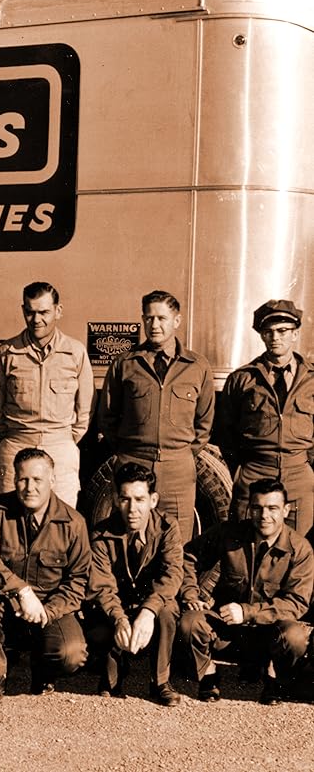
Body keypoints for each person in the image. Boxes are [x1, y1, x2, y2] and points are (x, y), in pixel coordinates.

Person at [0, 447, 91, 704]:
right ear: (14, 480)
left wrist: (49, 611)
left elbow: (78, 580)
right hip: (8, 600)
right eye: (23, 479)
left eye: (37, 480)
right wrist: (21, 590)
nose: (29, 487)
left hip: (48, 606)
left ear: (52, 481)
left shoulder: (73, 522)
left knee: (72, 654)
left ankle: (42, 667)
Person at [178, 478, 314, 705]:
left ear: (286, 510)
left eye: (272, 509)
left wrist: (247, 612)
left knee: (295, 636)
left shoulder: (300, 549)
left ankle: (275, 678)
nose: (264, 516)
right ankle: (209, 674)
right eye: (258, 508)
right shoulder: (228, 534)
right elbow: (188, 556)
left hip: (269, 633)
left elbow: (297, 602)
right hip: (227, 630)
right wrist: (190, 593)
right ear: (250, 508)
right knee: (190, 623)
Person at [97, 289, 214, 541]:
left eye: (162, 318)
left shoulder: (197, 366)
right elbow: (108, 416)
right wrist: (127, 451)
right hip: (133, 461)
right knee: (128, 536)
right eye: (149, 318)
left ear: (177, 321)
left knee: (178, 540)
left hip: (177, 469)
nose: (154, 325)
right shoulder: (125, 363)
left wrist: (180, 454)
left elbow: (204, 423)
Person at [0, 281, 93, 506]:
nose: (37, 320)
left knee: (60, 522)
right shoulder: (8, 353)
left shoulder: (75, 353)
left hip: (60, 447)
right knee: (8, 519)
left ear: (58, 310)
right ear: (23, 311)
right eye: (30, 312)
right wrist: (15, 436)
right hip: (17, 443)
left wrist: (64, 439)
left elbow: (84, 411)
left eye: (44, 312)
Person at [85, 463, 183, 706]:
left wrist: (149, 611)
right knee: (99, 629)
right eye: (125, 499)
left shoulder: (168, 528)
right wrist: (119, 618)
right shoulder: (101, 533)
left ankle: (160, 681)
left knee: (168, 610)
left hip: (151, 604)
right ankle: (113, 671)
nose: (132, 509)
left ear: (153, 500)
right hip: (118, 606)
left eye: (140, 499)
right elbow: (101, 584)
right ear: (116, 500)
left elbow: (171, 574)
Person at [217, 299, 314, 535]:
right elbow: (225, 430)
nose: (275, 337)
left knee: (297, 549)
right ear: (261, 335)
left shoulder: (311, 379)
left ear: (295, 334)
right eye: (268, 332)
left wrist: (307, 466)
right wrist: (240, 469)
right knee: (244, 545)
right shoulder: (242, 379)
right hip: (255, 472)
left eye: (282, 331)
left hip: (298, 475)